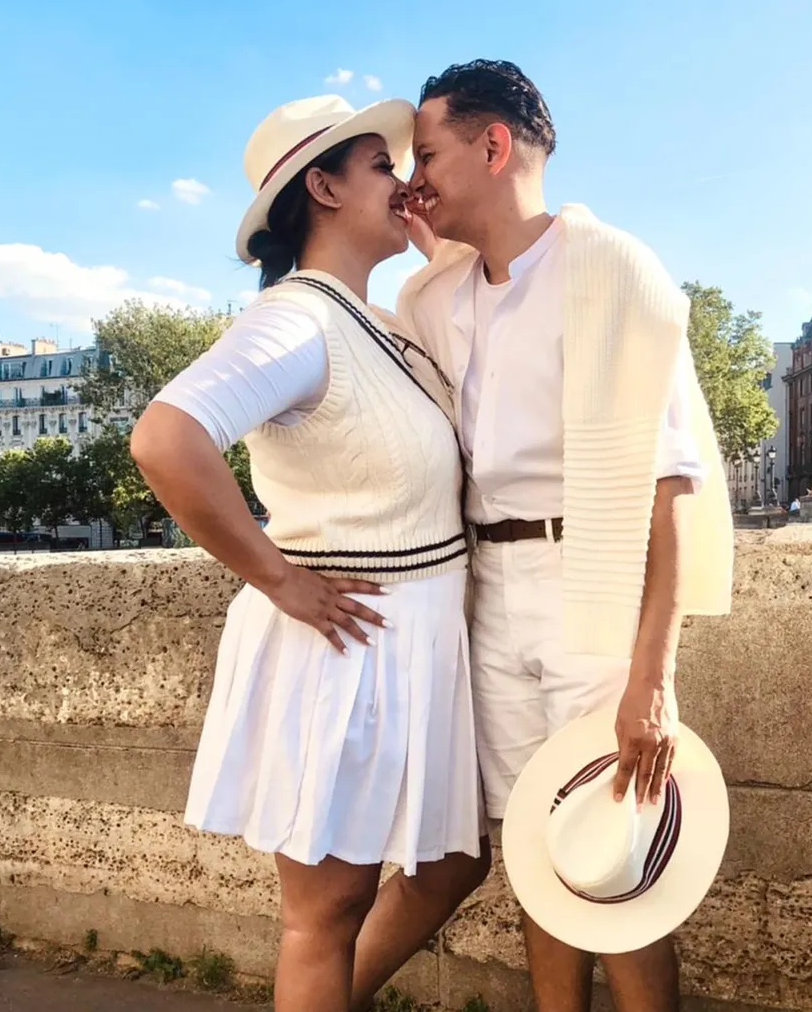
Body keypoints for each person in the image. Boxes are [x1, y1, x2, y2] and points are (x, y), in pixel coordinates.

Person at [131, 95, 489, 1012]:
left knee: (453, 862)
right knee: (326, 912)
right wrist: (280, 577)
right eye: (382, 166)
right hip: (347, 649)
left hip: (412, 647)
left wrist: (436, 248)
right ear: (323, 188)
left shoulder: (377, 321)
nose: (405, 182)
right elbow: (166, 438)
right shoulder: (297, 320)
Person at [398, 60, 734, 1012]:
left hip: (591, 582)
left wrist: (651, 677)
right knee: (536, 854)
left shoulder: (612, 269)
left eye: (426, 155)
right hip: (486, 593)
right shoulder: (435, 298)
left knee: (616, 855)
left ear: (492, 145)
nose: (414, 180)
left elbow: (671, 487)